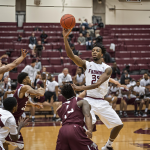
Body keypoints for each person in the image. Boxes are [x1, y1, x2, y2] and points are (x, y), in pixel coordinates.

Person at [63, 28, 123, 150]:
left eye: (97, 51)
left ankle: (108, 146)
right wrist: (65, 38)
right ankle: (78, 145)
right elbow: (70, 55)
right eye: (93, 50)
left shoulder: (107, 69)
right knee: (91, 122)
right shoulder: (87, 64)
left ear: (102, 54)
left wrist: (80, 87)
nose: (94, 52)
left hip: (101, 100)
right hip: (88, 100)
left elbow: (97, 84)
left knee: (119, 125)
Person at [5, 72, 45, 150]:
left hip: (10, 117)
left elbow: (23, 101)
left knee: (5, 142)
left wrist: (33, 104)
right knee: (21, 146)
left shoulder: (22, 88)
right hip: (12, 118)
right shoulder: (25, 87)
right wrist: (42, 88)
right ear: (24, 80)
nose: (30, 80)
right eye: (28, 78)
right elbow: (39, 93)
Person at [56, 84, 98, 150]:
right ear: (74, 91)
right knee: (93, 148)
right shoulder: (81, 101)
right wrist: (89, 130)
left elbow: (58, 111)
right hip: (75, 129)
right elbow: (87, 115)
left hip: (62, 131)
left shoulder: (62, 106)